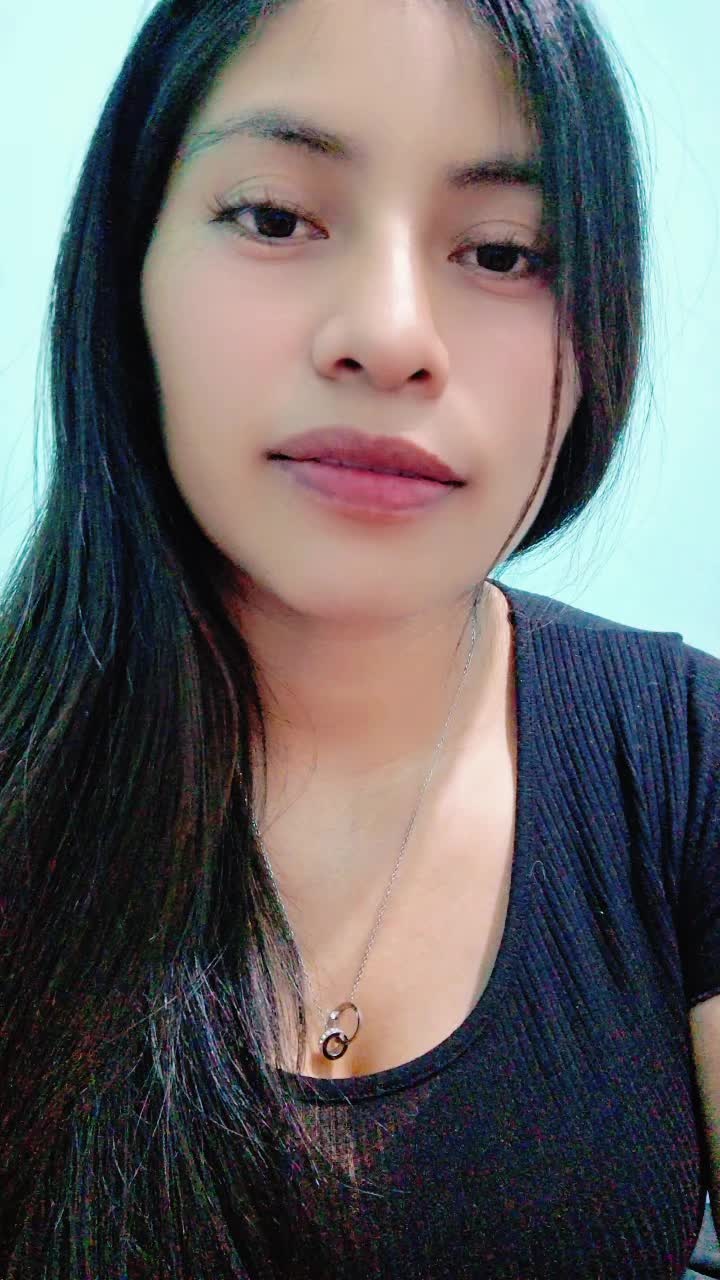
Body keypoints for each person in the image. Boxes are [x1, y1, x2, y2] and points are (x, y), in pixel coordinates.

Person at [0, 0, 718, 1275]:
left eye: (502, 251)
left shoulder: (687, 755)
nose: (390, 338)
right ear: (127, 268)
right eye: (276, 218)